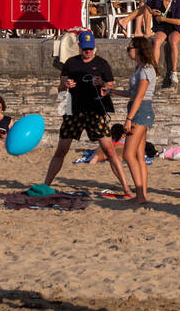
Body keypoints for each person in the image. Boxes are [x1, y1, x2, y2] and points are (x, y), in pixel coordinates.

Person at [44, 29, 131, 196]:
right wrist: (66, 86)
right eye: (85, 48)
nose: (88, 51)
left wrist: (102, 82)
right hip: (73, 110)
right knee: (61, 150)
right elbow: (60, 87)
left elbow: (111, 87)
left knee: (110, 151)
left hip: (96, 110)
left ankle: (126, 188)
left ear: (94, 46)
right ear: (79, 46)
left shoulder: (102, 64)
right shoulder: (70, 63)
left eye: (90, 48)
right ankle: (46, 184)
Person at [122, 37, 157, 206]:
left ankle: (141, 194)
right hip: (141, 110)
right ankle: (142, 193)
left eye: (129, 48)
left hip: (140, 111)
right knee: (139, 156)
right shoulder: (142, 68)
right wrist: (112, 91)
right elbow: (132, 93)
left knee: (128, 154)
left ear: (138, 49)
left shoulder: (145, 69)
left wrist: (129, 119)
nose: (128, 51)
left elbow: (140, 96)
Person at [151, 0, 180, 85]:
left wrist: (163, 19)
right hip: (161, 28)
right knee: (156, 42)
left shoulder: (178, 3)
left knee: (173, 42)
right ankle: (155, 71)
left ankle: (174, 71)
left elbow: (179, 21)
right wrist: (151, 11)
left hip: (174, 28)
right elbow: (145, 5)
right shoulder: (157, 1)